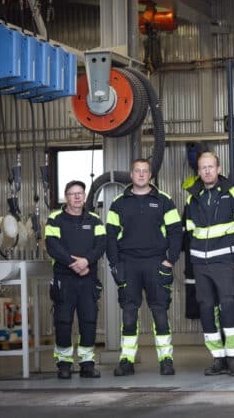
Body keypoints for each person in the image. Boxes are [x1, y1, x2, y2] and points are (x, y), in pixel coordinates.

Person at [106, 158, 182, 376]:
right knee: (129, 315)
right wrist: (115, 264)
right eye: (137, 171)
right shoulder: (119, 203)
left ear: (150, 175)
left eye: (145, 171)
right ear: (131, 175)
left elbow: (176, 232)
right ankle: (127, 360)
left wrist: (170, 260)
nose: (141, 174)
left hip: (156, 263)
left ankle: (166, 359)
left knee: (160, 314)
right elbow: (110, 236)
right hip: (128, 264)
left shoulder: (164, 200)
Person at [184, 152, 234, 376]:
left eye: (210, 167)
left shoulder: (233, 194)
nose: (207, 171)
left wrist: (232, 254)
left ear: (218, 168)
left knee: (228, 306)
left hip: (224, 260)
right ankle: (218, 358)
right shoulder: (192, 198)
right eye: (203, 168)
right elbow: (190, 229)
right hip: (200, 263)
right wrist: (196, 254)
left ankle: (233, 358)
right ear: (198, 172)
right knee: (206, 309)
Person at [44, 180, 106, 379]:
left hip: (88, 279)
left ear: (85, 196)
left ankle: (87, 363)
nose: (77, 197)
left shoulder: (95, 220)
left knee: (89, 320)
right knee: (63, 321)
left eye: (80, 193)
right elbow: (52, 246)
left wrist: (86, 261)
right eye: (73, 193)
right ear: (66, 197)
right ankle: (64, 364)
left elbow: (101, 245)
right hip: (64, 279)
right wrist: (73, 263)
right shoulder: (55, 219)